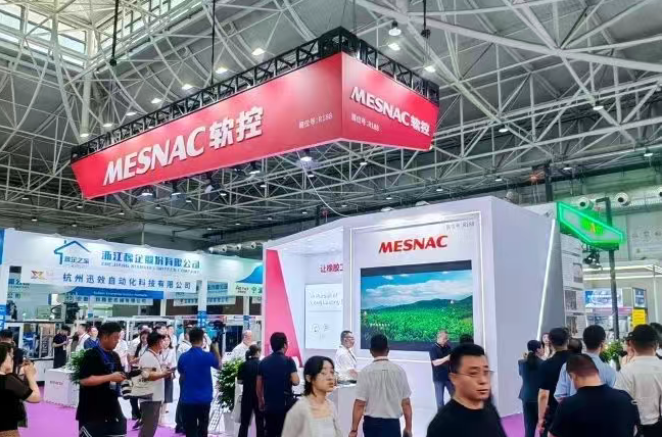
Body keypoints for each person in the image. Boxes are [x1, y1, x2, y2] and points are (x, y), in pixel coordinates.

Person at [549, 354, 640, 437]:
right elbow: (635, 430)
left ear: (573, 376)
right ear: (597, 372)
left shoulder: (568, 405)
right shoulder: (625, 399)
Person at [427, 344, 506, 437]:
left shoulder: (490, 410)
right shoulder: (441, 427)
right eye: (473, 373)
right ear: (454, 378)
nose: (483, 380)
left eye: (485, 372)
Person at [350, 334, 412, 437]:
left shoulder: (365, 372)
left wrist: (354, 430)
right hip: (393, 425)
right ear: (388, 350)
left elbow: (360, 404)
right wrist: (408, 428)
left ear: (371, 351)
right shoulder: (399, 371)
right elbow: (406, 403)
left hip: (371, 425)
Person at [76, 322, 127, 437]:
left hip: (112, 407)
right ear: (104, 337)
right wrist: (110, 377)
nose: (117, 341)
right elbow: (84, 380)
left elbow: (120, 375)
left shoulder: (115, 356)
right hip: (91, 408)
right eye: (115, 338)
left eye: (118, 338)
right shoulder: (91, 355)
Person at [615, 324, 662, 437]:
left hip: (636, 429)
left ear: (632, 344)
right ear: (656, 344)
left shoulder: (626, 371)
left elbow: (619, 403)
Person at [282, 356, 343, 437]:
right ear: (309, 378)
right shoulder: (299, 409)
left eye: (332, 372)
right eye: (323, 373)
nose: (330, 377)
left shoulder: (331, 406)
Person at [178, 328, 222, 437]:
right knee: (203, 428)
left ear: (189, 339)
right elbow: (219, 365)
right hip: (204, 398)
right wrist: (215, 348)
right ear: (202, 340)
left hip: (188, 398)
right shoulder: (207, 356)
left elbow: (181, 373)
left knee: (190, 430)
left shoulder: (183, 357)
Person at [555, 325, 616, 402]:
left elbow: (560, 395)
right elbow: (612, 397)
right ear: (602, 343)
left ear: (584, 341)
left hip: (573, 408)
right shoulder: (609, 370)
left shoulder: (567, 365)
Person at [257, 332, 300, 437]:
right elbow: (296, 381)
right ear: (285, 345)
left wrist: (261, 401)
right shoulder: (289, 361)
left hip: (269, 405)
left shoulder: (263, 362)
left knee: (270, 432)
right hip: (285, 405)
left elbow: (258, 386)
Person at [0, 343, 41, 437]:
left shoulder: (9, 379)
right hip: (6, 431)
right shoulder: (8, 380)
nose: (12, 359)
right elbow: (35, 397)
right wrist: (30, 375)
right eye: (10, 355)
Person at [138, 332, 174, 437]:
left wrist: (163, 372)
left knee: (150, 427)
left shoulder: (153, 355)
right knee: (148, 428)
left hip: (153, 397)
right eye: (162, 341)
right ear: (157, 343)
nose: (164, 343)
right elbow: (147, 375)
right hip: (150, 398)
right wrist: (163, 373)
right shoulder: (148, 356)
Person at [537, 328, 570, 437]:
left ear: (550, 342)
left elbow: (543, 395)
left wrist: (541, 419)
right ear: (567, 340)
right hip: (578, 411)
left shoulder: (546, 365)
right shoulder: (579, 360)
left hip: (555, 412)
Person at [237, 345, 264, 437]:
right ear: (257, 352)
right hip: (259, 396)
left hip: (247, 396)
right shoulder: (262, 364)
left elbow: (239, 381)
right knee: (260, 421)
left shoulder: (243, 365)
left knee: (244, 422)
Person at [519, 340, 544, 437]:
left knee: (529, 427)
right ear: (538, 349)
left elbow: (521, 374)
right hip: (539, 398)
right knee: (543, 427)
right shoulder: (543, 364)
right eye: (542, 347)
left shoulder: (521, 362)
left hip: (526, 397)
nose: (543, 349)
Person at [429, 330, 454, 409]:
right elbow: (435, 363)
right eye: (445, 338)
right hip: (438, 378)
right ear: (439, 338)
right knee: (440, 401)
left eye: (447, 338)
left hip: (448, 377)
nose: (446, 340)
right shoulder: (433, 349)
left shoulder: (448, 347)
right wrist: (446, 358)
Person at [130, 330, 149, 425]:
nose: (144, 339)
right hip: (135, 372)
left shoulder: (151, 347)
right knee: (132, 397)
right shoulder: (137, 346)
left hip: (146, 373)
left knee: (143, 397)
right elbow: (131, 360)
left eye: (146, 338)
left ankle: (142, 417)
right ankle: (138, 415)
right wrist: (138, 358)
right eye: (143, 337)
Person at [175, 329, 192, 434]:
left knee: (182, 399)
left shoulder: (184, 346)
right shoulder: (186, 347)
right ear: (186, 335)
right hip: (187, 376)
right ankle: (183, 424)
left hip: (184, 376)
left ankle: (179, 423)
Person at [160, 334, 177, 425]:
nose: (166, 342)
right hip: (158, 375)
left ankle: (162, 416)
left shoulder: (172, 350)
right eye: (164, 340)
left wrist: (168, 367)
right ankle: (157, 416)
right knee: (158, 396)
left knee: (166, 396)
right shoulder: (158, 350)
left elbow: (174, 364)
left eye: (168, 340)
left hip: (167, 375)